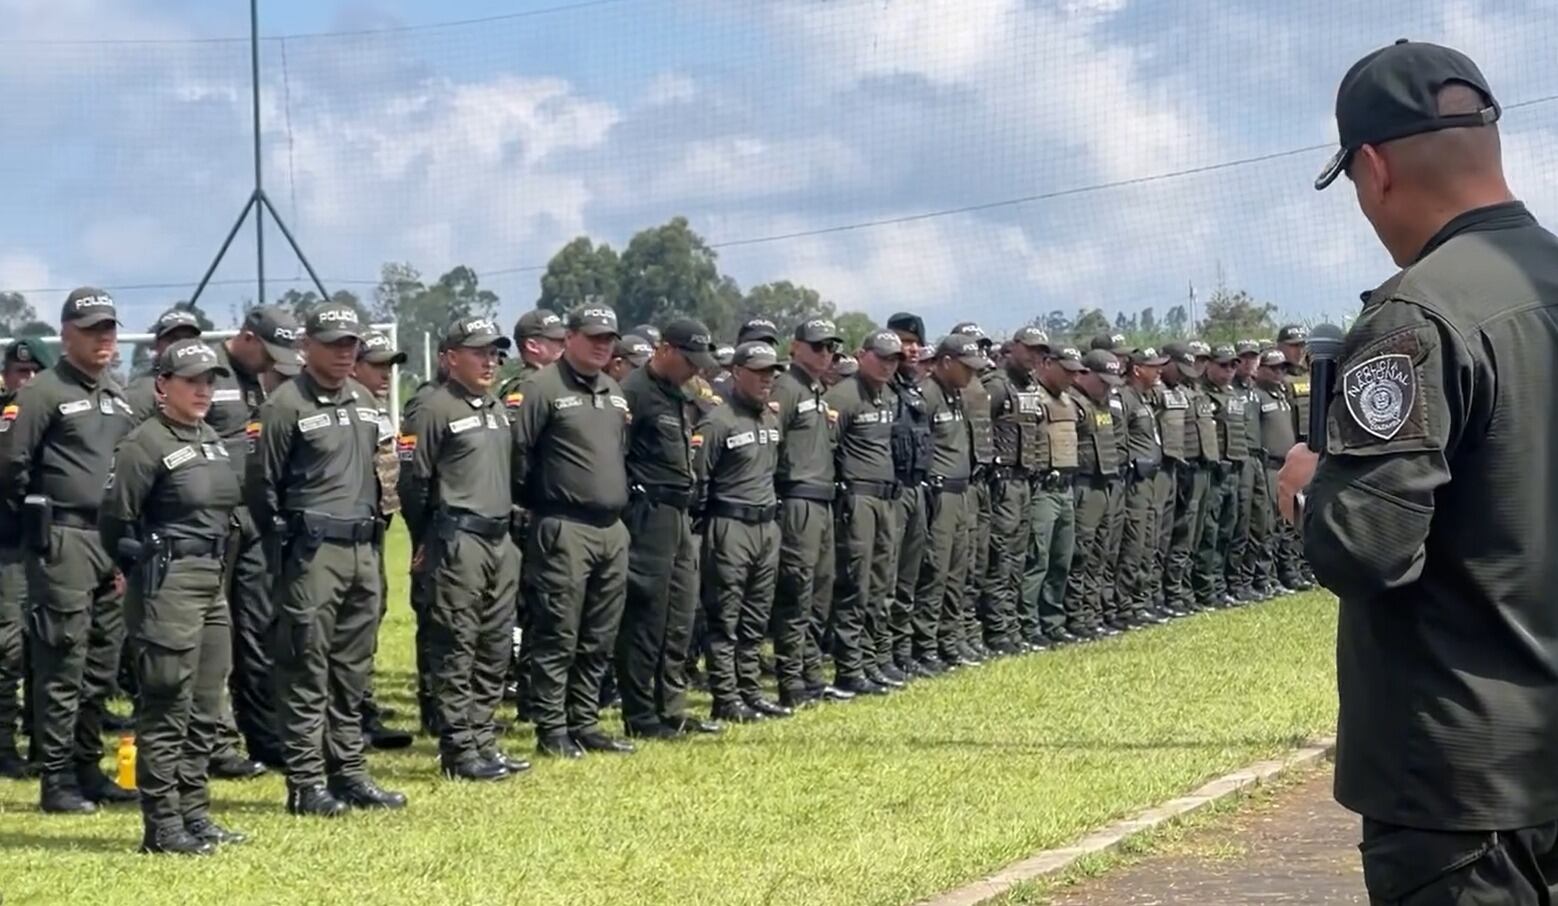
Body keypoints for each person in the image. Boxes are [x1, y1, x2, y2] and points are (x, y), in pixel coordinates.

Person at [1282, 40, 1558, 900]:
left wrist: (1307, 489)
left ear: (1374, 167)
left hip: (1464, 789)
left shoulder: (1418, 315)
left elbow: (1366, 547)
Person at [247, 302, 406, 816]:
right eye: (334, 343)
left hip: (362, 547)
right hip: (311, 552)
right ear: (306, 347)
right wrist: (284, 548)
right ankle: (306, 781)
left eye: (351, 344)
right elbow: (261, 487)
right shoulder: (284, 404)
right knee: (305, 666)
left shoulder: (362, 398)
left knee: (352, 668)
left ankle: (350, 771)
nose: (344, 353)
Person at [99, 339, 248, 854]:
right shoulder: (145, 443)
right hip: (168, 582)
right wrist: (132, 569)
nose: (204, 390)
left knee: (206, 703)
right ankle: (162, 826)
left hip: (211, 581)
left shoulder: (208, 436)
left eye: (210, 381)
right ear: (163, 385)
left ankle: (194, 812)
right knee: (167, 704)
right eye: (193, 381)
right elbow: (115, 519)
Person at [0, 289, 137, 812]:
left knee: (101, 663)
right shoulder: (41, 394)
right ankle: (56, 780)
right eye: (92, 329)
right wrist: (40, 525)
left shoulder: (117, 393)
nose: (104, 337)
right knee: (62, 660)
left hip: (106, 538)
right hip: (61, 538)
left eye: (109, 328)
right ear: (66, 334)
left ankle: (87, 767)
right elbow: (10, 467)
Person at [400, 317, 528, 780]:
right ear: (451, 356)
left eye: (495, 353)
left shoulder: (494, 405)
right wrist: (429, 539)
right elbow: (413, 482)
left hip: (499, 538)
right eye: (479, 352)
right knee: (457, 644)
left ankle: (483, 739)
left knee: (494, 645)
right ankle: (458, 748)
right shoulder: (433, 408)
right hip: (457, 538)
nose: (489, 360)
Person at [511, 304, 634, 758]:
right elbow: (519, 457)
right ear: (572, 338)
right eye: (594, 337)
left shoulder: (614, 390)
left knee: (599, 633)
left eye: (609, 338)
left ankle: (585, 720)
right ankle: (551, 725)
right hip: (564, 525)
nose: (603, 345)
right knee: (558, 631)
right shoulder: (542, 387)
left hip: (611, 529)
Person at [615, 319, 723, 739]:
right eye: (690, 361)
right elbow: (617, 457)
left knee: (680, 614)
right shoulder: (634, 394)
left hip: (678, 513)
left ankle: (671, 708)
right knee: (648, 616)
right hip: (649, 512)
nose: (696, 371)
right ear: (665, 351)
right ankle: (641, 714)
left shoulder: (678, 393)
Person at [206, 304, 301, 772]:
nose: (274, 363)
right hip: (211, 523)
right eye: (269, 351)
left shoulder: (255, 382)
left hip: (252, 521)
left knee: (257, 629)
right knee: (214, 635)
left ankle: (263, 738)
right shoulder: (203, 371)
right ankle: (215, 743)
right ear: (245, 336)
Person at [692, 341, 788, 722]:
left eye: (772, 373)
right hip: (729, 525)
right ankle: (726, 696)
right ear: (736, 373)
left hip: (766, 526)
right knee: (725, 616)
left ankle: (750, 690)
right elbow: (700, 478)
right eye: (760, 372)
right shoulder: (718, 420)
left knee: (756, 615)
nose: (767, 380)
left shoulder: (769, 418)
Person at [771, 318, 848, 708]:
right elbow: (771, 442)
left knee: (820, 591)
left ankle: (812, 675)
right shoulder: (786, 388)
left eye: (829, 347)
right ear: (795, 347)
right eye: (817, 346)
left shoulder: (818, 388)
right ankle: (791, 682)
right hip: (796, 498)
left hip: (821, 499)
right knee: (796, 593)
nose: (824, 354)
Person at [497, 308, 567, 722]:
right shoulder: (525, 388)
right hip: (527, 513)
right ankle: (525, 685)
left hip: (539, 512)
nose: (562, 348)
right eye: (555, 341)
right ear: (533, 346)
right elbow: (517, 454)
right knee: (531, 604)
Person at [826, 330, 904, 695]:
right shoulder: (842, 396)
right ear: (862, 355)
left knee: (882, 583)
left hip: (885, 499)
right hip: (856, 499)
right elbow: (825, 449)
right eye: (883, 357)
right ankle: (849, 667)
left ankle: (874, 659)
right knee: (855, 583)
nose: (889, 365)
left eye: (894, 360)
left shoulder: (888, 395)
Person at [350, 330, 415, 752]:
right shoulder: (351, 408)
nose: (386, 374)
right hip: (342, 537)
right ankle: (349, 716)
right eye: (376, 364)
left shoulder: (374, 409)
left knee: (369, 621)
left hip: (374, 533)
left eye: (389, 365)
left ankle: (361, 705)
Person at [912, 335, 985, 671]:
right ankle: (925, 647)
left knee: (958, 570)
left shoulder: (956, 395)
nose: (971, 374)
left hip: (961, 492)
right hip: (939, 495)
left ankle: (949, 640)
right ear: (945, 362)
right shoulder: (926, 395)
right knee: (935, 570)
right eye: (965, 367)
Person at [980, 327, 1048, 654]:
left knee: (1018, 558)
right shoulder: (996, 385)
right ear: (1015, 348)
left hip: (1025, 481)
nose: (1034, 357)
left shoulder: (1031, 388)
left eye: (1040, 352)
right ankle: (996, 631)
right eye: (1030, 350)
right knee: (1001, 557)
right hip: (1003, 482)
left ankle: (1010, 626)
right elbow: (979, 427)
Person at [0, 338, 46, 779]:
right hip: (8, 548)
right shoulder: (7, 416)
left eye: (34, 373)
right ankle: (2, 745)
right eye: (19, 373)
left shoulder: (47, 416)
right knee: (8, 647)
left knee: (42, 644)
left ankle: (41, 738)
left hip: (44, 547)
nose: (26, 380)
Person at [1064, 350, 1125, 638]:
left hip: (1106, 483)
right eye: (1103, 381)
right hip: (1083, 485)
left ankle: (1093, 612)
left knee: (1101, 551)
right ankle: (1076, 616)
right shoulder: (1074, 403)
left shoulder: (1104, 405)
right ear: (1084, 374)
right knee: (1081, 552)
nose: (1108, 386)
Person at [884, 312, 931, 680]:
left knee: (908, 579)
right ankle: (881, 655)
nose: (911, 349)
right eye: (904, 342)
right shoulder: (880, 389)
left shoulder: (915, 389)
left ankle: (901, 651)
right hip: (891, 493)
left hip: (917, 490)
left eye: (915, 343)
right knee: (884, 578)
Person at [1028, 345, 1086, 645]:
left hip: (1065, 488)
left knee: (1061, 560)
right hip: (1043, 489)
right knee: (1037, 559)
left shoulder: (1070, 399)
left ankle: (1052, 621)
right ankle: (1029, 626)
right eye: (1067, 371)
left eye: (1076, 372)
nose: (1072, 377)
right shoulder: (1033, 397)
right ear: (1047, 364)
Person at [949, 323, 996, 664]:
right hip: (958, 484)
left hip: (981, 480)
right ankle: (955, 634)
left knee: (977, 562)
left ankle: (968, 629)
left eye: (980, 346)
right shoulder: (952, 389)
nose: (977, 352)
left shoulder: (980, 385)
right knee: (958, 565)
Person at [1158, 342, 1217, 614]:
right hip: (1174, 471)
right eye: (1179, 369)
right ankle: (1172, 592)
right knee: (1180, 533)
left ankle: (1184, 589)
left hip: (1197, 469)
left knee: (1195, 533)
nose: (1183, 375)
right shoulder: (1158, 394)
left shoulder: (1187, 392)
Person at [1115, 347, 1171, 625]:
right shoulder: (1124, 398)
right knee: (1134, 543)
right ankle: (1126, 606)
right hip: (1136, 480)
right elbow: (1118, 439)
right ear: (1137, 369)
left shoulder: (1146, 398)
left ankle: (1142, 600)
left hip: (1152, 479)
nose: (1159, 370)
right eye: (1153, 366)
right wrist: (1132, 463)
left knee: (1150, 540)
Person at [1250, 350, 1307, 593]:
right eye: (1272, 368)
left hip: (1289, 464)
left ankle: (1290, 571)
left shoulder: (1283, 394)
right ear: (1259, 369)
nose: (1278, 373)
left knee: (1291, 522)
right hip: (1270, 466)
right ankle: (1266, 576)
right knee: (1269, 524)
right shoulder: (1257, 396)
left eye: (1282, 368)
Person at [125, 308, 203, 424]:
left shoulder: (214, 383)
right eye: (173, 339)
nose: (182, 346)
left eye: (189, 339)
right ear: (157, 345)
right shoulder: (140, 393)